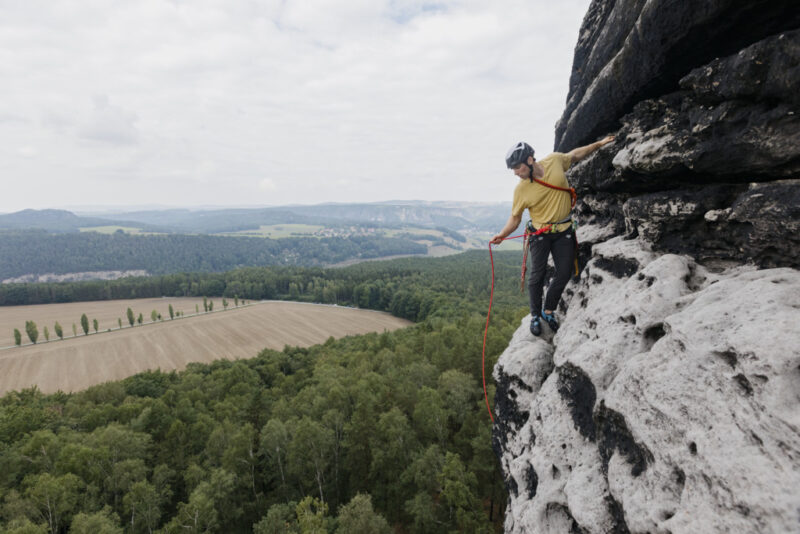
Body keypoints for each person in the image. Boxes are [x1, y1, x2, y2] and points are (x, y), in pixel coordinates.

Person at [491, 136, 615, 336]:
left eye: (517, 167)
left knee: (564, 272)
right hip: (540, 235)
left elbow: (575, 155)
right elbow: (515, 218)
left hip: (563, 231)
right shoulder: (521, 189)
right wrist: (502, 235)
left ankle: (548, 310)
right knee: (536, 276)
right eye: (513, 169)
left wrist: (599, 144)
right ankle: (534, 315)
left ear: (530, 160)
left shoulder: (555, 161)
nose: (515, 172)